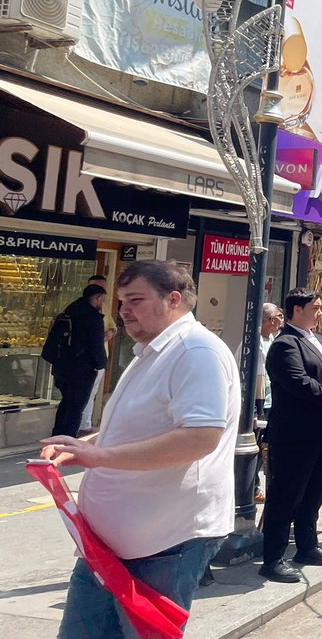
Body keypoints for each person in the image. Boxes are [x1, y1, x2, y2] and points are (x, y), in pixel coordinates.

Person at [42, 261, 238, 635]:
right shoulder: (153, 350)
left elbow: (200, 437)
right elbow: (141, 428)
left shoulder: (195, 351)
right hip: (110, 544)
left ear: (174, 299)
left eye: (135, 300)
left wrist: (99, 456)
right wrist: (85, 445)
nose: (123, 311)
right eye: (120, 302)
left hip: (163, 543)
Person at [260, 288, 322, 583]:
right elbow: (298, 381)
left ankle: (307, 546)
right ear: (296, 310)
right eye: (315, 308)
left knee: (316, 491)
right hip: (296, 434)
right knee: (287, 495)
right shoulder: (285, 344)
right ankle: (273, 558)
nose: (320, 313)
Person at [43, 284, 109, 439]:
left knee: (66, 402)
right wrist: (101, 363)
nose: (102, 303)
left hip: (61, 367)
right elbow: (96, 345)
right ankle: (68, 439)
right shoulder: (93, 317)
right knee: (76, 407)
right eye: (102, 299)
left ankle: (57, 436)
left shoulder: (69, 311)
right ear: (97, 298)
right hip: (82, 369)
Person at [78, 275, 116, 435]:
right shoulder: (81, 310)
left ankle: (84, 425)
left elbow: (112, 326)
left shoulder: (103, 307)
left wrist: (110, 333)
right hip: (84, 358)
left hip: (100, 355)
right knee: (82, 392)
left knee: (91, 392)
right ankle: (81, 426)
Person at [254, 302, 284, 503]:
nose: (281, 320)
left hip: (272, 400)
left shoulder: (274, 340)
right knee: (255, 447)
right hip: (259, 402)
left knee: (266, 448)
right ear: (270, 320)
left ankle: (258, 486)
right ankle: (252, 487)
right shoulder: (253, 341)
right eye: (279, 316)